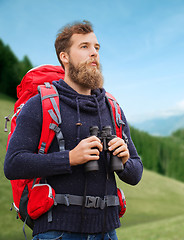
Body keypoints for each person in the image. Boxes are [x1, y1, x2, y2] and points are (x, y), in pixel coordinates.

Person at [4, 20, 143, 240]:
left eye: (96, 47)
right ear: (64, 57)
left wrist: (125, 161)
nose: (94, 53)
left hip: (107, 232)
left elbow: (136, 174)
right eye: (84, 46)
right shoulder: (41, 104)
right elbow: (13, 165)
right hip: (57, 232)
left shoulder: (112, 108)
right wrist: (70, 158)